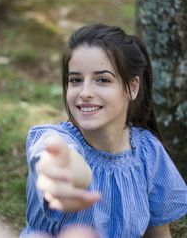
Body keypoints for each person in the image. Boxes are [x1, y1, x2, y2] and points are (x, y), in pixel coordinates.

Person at [20, 24, 187, 238]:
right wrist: (64, 172)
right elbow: (55, 156)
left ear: (132, 87)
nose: (85, 92)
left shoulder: (148, 152)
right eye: (76, 80)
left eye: (102, 80)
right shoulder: (55, 139)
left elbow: (158, 233)